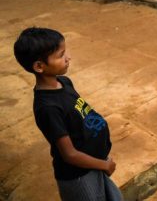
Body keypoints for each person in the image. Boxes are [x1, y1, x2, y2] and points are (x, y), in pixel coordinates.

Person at [13, 28, 122, 201]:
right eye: (60, 55)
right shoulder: (47, 108)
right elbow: (69, 154)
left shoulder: (64, 82)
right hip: (79, 177)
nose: (68, 57)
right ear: (39, 66)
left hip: (94, 163)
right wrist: (104, 164)